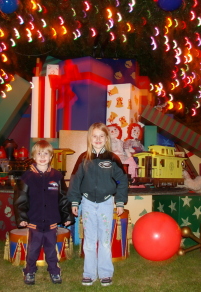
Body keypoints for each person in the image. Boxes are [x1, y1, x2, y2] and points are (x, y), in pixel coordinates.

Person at [68, 122, 128, 287]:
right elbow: (75, 180)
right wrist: (75, 201)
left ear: (107, 138)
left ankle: (105, 273)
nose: (98, 139)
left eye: (102, 136)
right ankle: (89, 273)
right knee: (89, 240)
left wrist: (120, 201)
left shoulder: (112, 158)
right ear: (90, 138)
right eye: (95, 136)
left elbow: (122, 180)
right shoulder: (83, 158)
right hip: (87, 203)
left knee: (104, 240)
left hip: (106, 203)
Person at [13, 140, 74, 285]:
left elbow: (63, 198)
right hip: (34, 222)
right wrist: (22, 217)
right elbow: (20, 199)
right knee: (33, 250)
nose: (42, 157)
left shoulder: (57, 176)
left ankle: (54, 271)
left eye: (46, 154)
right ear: (34, 156)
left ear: (51, 156)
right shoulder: (27, 177)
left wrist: (67, 216)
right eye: (39, 154)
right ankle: (29, 271)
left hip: (51, 222)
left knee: (51, 250)